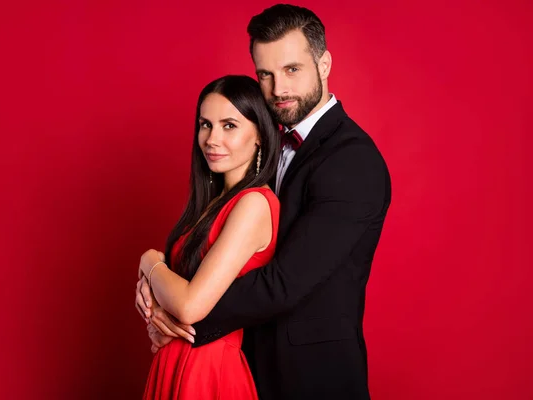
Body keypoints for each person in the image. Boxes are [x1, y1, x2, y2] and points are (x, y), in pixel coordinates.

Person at [137, 4, 391, 399]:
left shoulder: (353, 160)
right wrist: (153, 276)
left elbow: (284, 282)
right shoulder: (257, 147)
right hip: (245, 365)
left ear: (323, 64)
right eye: (265, 75)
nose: (277, 89)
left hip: (312, 378)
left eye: (292, 69)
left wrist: (182, 315)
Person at [137, 74, 281, 399]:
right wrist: (157, 307)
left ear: (260, 134)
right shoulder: (213, 203)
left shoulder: (254, 203)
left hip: (207, 370)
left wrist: (149, 261)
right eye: (205, 125)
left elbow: (190, 306)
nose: (212, 139)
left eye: (229, 125)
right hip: (174, 361)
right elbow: (176, 295)